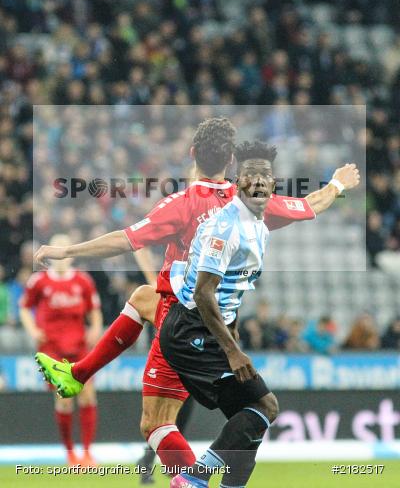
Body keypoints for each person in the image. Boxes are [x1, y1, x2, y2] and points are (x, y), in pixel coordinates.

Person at [34, 117, 360, 472]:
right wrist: (337, 184)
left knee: (158, 423)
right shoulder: (253, 201)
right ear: (232, 162)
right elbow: (310, 205)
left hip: (184, 320)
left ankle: (189, 478)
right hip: (218, 320)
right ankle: (79, 374)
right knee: (145, 297)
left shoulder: (183, 203)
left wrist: (67, 252)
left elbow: (126, 239)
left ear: (192, 154)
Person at [159, 141, 281, 488]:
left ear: (273, 183)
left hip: (211, 328)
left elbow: (235, 290)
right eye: (251, 175)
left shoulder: (259, 228)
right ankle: (193, 479)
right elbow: (203, 293)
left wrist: (234, 331)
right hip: (191, 331)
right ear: (237, 182)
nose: (258, 182)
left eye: (265, 176)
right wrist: (231, 349)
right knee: (265, 407)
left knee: (249, 430)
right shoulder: (224, 227)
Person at [20, 234, 102, 466]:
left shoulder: (83, 281)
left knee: (87, 396)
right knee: (64, 399)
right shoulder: (40, 282)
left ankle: (87, 452)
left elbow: (94, 310)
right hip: (53, 348)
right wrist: (33, 330)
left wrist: (95, 327)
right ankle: (70, 453)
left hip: (79, 346)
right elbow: (24, 308)